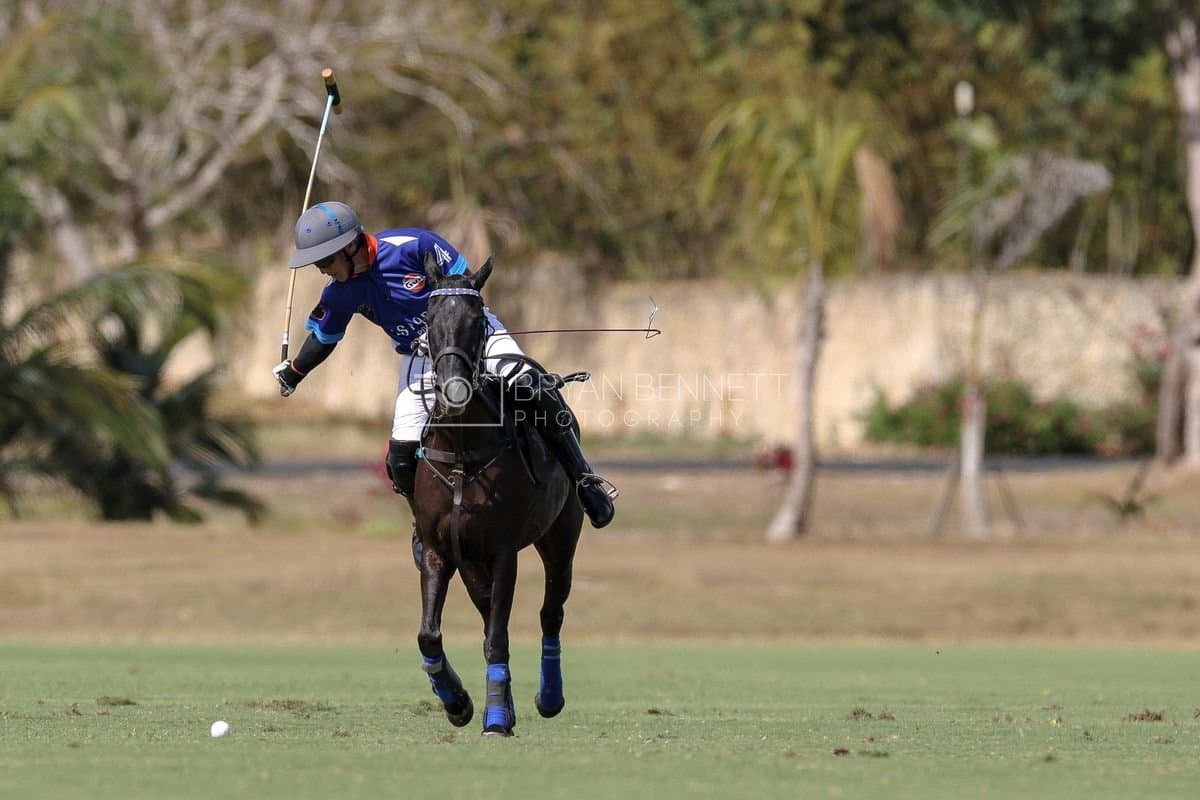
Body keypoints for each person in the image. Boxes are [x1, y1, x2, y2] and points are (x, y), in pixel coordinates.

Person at [272, 201, 615, 528]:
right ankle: (422, 525)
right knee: (400, 458)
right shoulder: (339, 293)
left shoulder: (414, 246)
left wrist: (447, 334)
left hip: (473, 337)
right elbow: (324, 338)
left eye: (325, 260)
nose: (321, 269)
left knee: (532, 386)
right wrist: (294, 372)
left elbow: (464, 284)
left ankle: (585, 480)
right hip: (419, 357)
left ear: (350, 246)